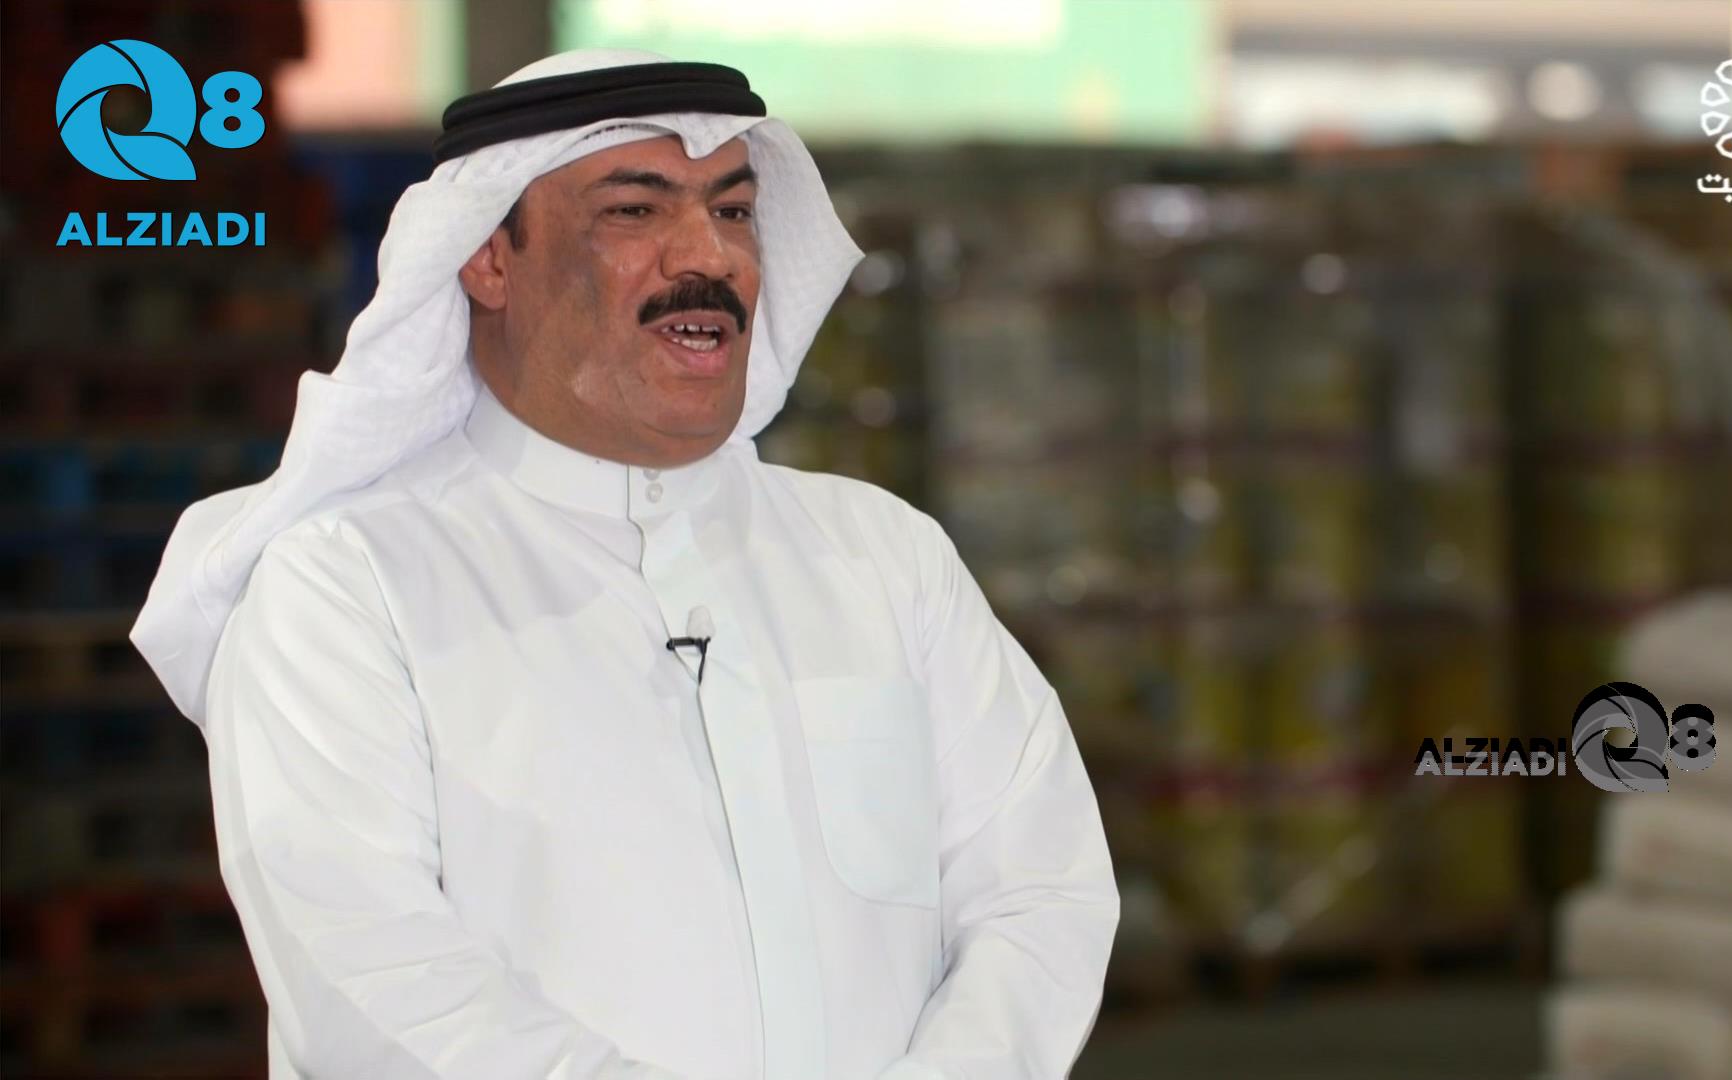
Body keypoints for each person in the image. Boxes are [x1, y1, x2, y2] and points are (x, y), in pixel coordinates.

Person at [131, 49, 1119, 1080]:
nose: (711, 256)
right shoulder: (344, 587)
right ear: (487, 259)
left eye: (733, 211)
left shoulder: (883, 555)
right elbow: (373, 992)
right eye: (634, 211)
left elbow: (1036, 892)